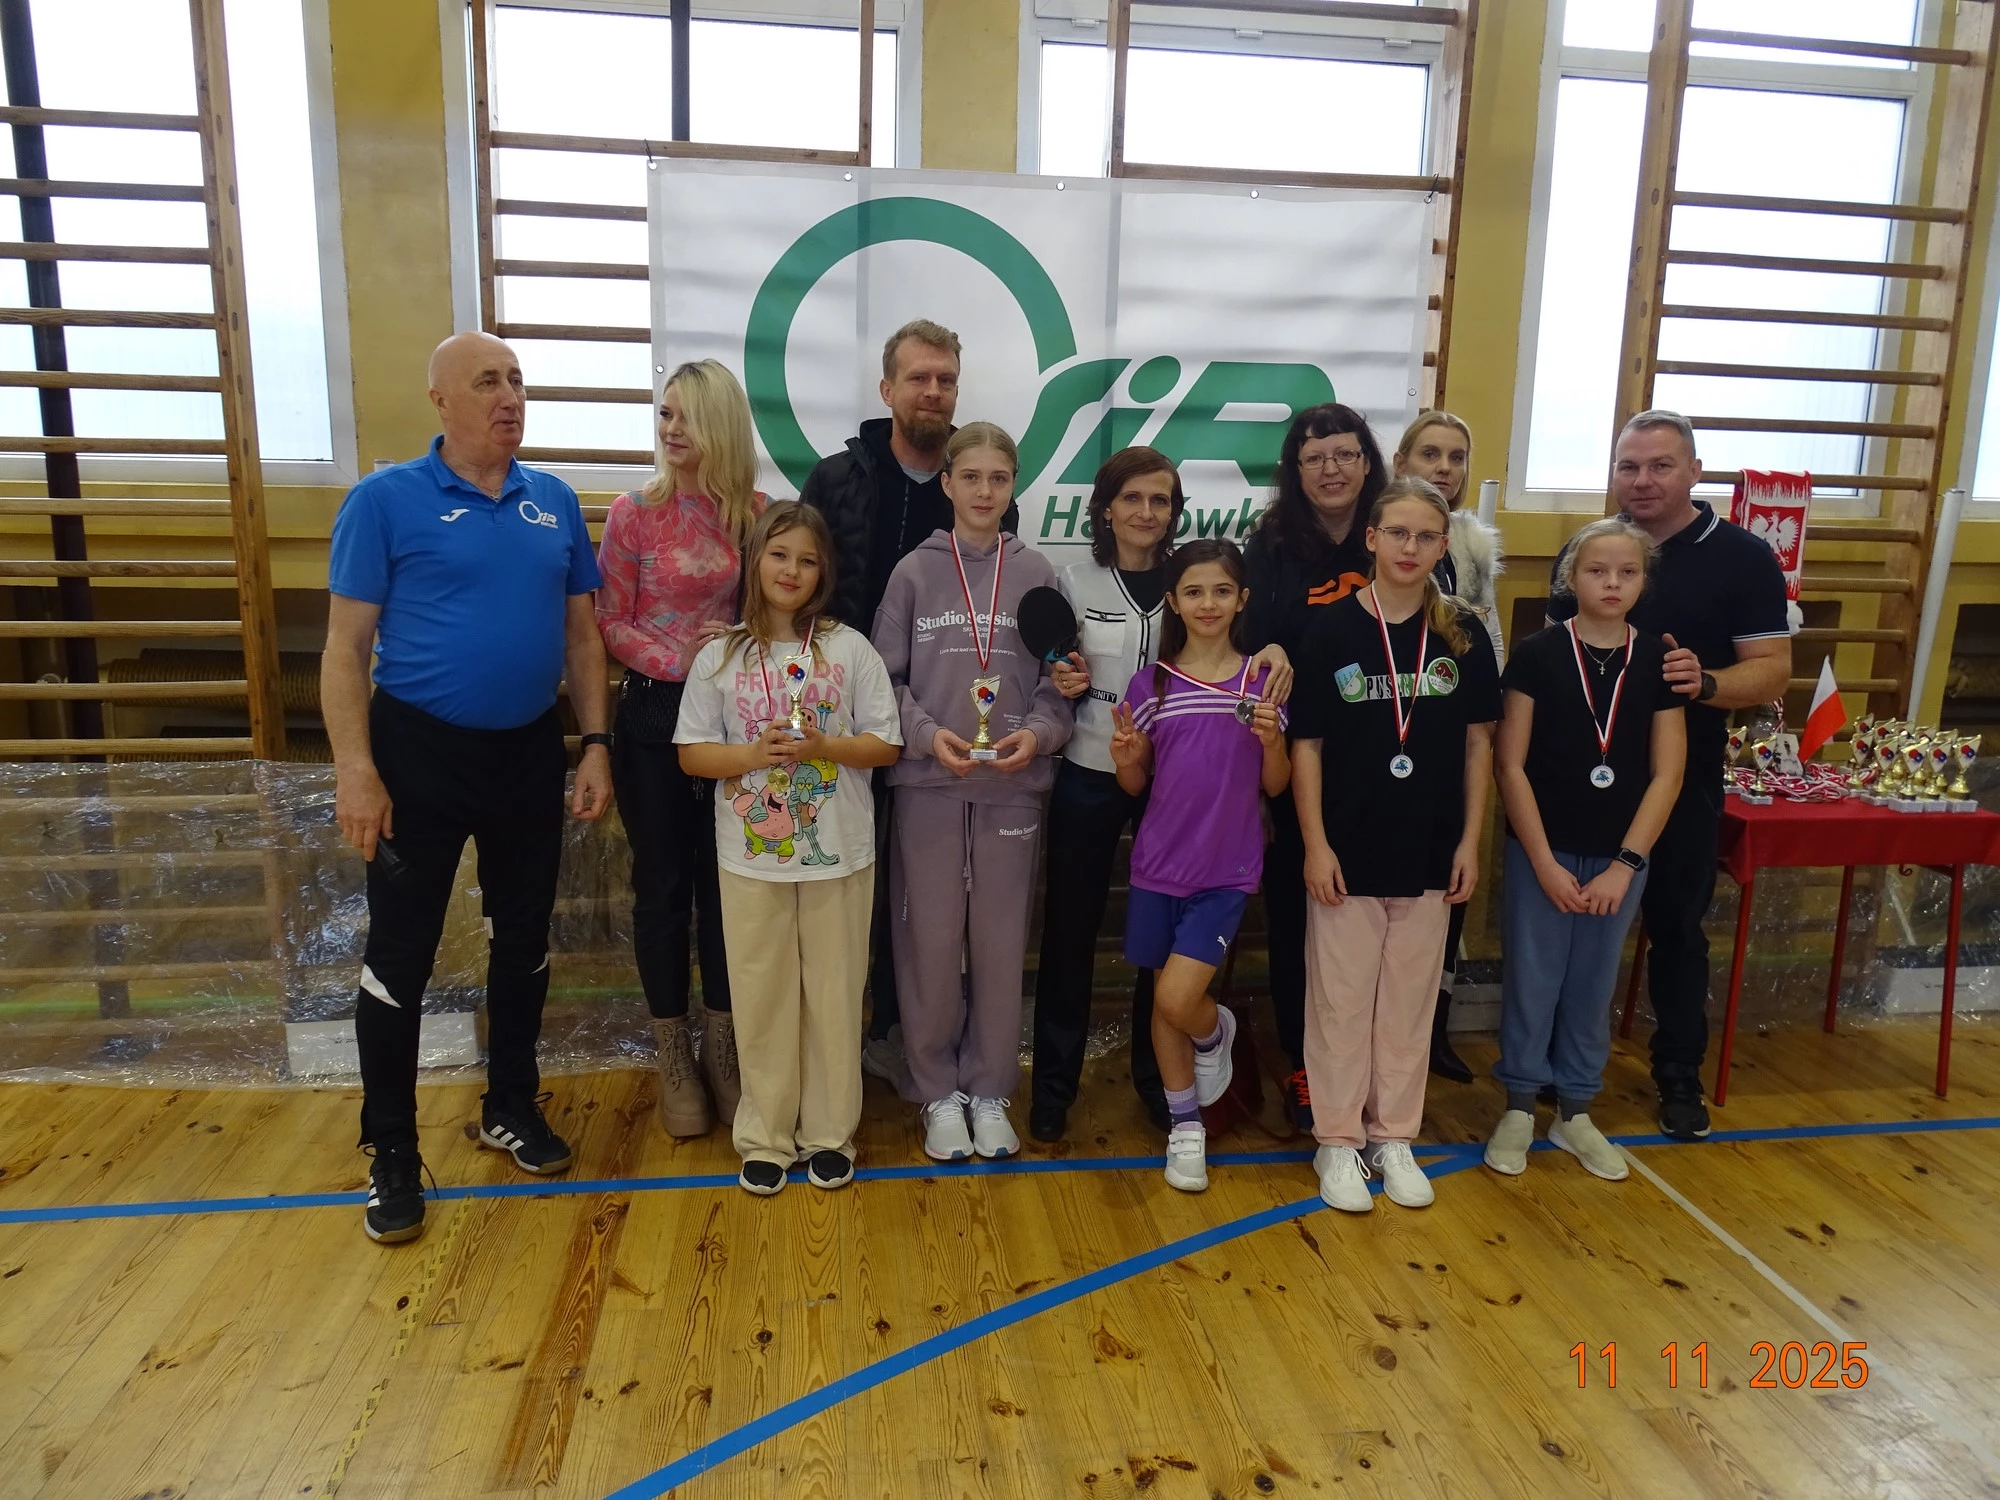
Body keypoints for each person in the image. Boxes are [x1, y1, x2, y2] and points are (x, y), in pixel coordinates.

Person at [324, 331, 611, 1246]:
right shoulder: (383, 501)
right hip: (418, 754)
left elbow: (583, 638)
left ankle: (511, 1106)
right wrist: (356, 769)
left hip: (526, 751)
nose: (509, 396)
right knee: (400, 955)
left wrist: (594, 745)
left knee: (523, 941)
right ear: (440, 399)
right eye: (488, 381)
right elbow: (344, 650)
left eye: (517, 380)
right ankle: (392, 1151)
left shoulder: (552, 502)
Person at [1031, 449, 1295, 1143]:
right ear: (1105, 509)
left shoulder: (1193, 581)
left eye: (1161, 500)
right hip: (1095, 769)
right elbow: (1057, 666)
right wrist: (1061, 677)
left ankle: (1160, 1083)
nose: (1146, 512)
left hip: (1177, 783)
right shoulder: (1074, 579)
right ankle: (1053, 1087)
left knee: (1167, 941)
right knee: (1070, 934)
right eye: (1132, 498)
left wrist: (1276, 651)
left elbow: (1238, 650)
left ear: (1176, 512)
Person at [1548, 410, 1790, 1142]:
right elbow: (1555, 656)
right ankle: (1550, 1071)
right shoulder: (1587, 548)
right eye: (1629, 466)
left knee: (1677, 928)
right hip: (1579, 776)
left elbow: (1773, 671)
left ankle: (1679, 1076)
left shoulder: (1743, 557)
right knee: (1567, 926)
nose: (1643, 480)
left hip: (1682, 779)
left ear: (1694, 471)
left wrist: (1705, 682)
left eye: (1660, 465)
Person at [801, 319, 1019, 1083]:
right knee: (842, 880)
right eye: (918, 378)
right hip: (844, 722)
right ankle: (828, 1041)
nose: (933, 391)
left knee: (919, 896)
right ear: (887, 388)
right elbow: (802, 585)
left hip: (942, 729)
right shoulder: (837, 480)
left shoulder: (979, 484)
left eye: (945, 380)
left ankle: (898, 1035)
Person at [674, 503, 902, 1195]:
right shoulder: (720, 655)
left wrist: (825, 745)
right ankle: (767, 1135)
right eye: (779, 555)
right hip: (751, 860)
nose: (791, 571)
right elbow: (692, 754)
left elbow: (886, 745)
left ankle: (830, 1134)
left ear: (823, 571)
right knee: (761, 997)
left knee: (834, 996)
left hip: (839, 852)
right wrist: (752, 754)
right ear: (755, 561)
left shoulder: (850, 649)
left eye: (807, 559)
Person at [1289, 477, 1499, 1214]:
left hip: (1431, 847)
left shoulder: (1464, 634)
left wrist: (1470, 841)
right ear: (1371, 539)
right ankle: (1338, 1140)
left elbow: (1479, 746)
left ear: (1443, 548)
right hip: (1348, 846)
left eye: (1426, 536)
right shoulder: (1329, 630)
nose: (1411, 547)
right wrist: (1315, 844)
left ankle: (1394, 1136)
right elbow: (1307, 747)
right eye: (1398, 533)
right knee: (1341, 1003)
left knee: (1409, 1004)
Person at [871, 422, 1070, 1161]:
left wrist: (1039, 735)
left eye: (999, 478)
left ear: (1013, 486)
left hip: (1011, 785)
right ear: (948, 483)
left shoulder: (1039, 572)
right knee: (926, 941)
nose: (986, 491)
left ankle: (989, 1088)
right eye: (972, 477)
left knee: (999, 942)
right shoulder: (912, 574)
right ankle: (935, 1090)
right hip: (930, 781)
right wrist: (927, 736)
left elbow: (1059, 683)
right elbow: (883, 682)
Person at [595, 359, 764, 1138]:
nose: (670, 429)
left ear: (719, 424)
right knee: (661, 889)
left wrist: (737, 648)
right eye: (664, 413)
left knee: (729, 886)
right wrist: (681, 662)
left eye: (685, 415)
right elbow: (610, 621)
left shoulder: (755, 516)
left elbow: (778, 608)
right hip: (654, 719)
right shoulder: (633, 514)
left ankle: (723, 1048)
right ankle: (673, 1055)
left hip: (733, 721)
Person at [1487, 519, 1685, 1180]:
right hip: (1541, 852)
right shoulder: (1537, 655)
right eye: (1597, 571)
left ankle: (1574, 1111)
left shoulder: (1657, 661)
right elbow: (1510, 765)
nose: (1611, 583)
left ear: (1643, 582)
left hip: (1618, 860)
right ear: (1572, 578)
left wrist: (1626, 866)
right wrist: (1542, 861)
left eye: (1627, 572)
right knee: (1533, 978)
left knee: (1593, 984)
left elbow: (1668, 774)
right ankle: (1519, 1105)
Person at [1108, 539, 1291, 1192]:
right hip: (1158, 866)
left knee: (1178, 999)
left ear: (1241, 600)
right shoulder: (1151, 685)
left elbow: (1276, 783)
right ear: (1173, 601)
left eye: (1220, 590)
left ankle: (1217, 1035)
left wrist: (1273, 741)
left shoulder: (1261, 682)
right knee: (1165, 1004)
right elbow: (1136, 783)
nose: (1207, 603)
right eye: (1193, 591)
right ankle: (1186, 1128)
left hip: (1226, 871)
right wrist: (1126, 758)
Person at [1243, 403, 1385, 1130]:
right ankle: (1305, 1063)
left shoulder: (1395, 532)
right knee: (1300, 915)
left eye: (1344, 454)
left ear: (1367, 461)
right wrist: (1265, 651)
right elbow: (1247, 645)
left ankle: (1370, 1068)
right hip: (1299, 762)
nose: (1331, 469)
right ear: (1294, 471)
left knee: (1378, 917)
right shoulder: (1270, 545)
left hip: (1387, 761)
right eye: (1314, 458)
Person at [1392, 411, 1505, 1085]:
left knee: (1447, 898)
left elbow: (1487, 643)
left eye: (1456, 457)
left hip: (1453, 745)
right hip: (1389, 736)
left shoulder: (1472, 547)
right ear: (1401, 461)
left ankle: (1433, 1031)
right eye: (1430, 453)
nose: (1443, 467)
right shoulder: (1388, 535)